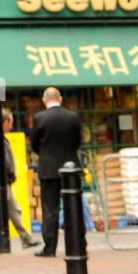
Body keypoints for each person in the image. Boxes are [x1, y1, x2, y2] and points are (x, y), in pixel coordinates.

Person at [28, 87, 82, 257]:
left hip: (48, 168)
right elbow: (77, 141)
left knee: (50, 209)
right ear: (60, 99)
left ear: (44, 100)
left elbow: (34, 143)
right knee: (73, 206)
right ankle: (78, 244)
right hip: (70, 168)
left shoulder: (39, 118)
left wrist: (45, 155)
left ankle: (49, 248)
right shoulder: (72, 117)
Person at [2, 109, 39, 248]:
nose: (11, 126)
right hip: (3, 182)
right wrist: (10, 173)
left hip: (6, 181)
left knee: (14, 209)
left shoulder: (4, 138)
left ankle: (26, 239)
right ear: (5, 122)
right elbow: (5, 162)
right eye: (10, 122)